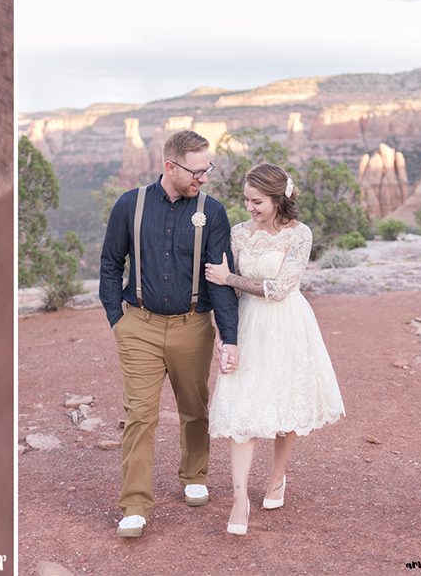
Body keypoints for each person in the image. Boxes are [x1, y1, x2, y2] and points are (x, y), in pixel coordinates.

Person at [99, 130, 239, 538]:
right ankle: (135, 505)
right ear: (170, 167)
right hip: (138, 326)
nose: (204, 177)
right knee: (140, 415)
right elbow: (111, 263)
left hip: (191, 325)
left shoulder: (212, 213)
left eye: (207, 168)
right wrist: (117, 319)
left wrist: (228, 336)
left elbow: (220, 279)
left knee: (194, 408)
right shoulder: (130, 204)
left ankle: (194, 473)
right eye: (197, 171)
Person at [204, 163, 345, 536]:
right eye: (246, 200)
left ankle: (278, 476)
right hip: (248, 324)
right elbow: (227, 293)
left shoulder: (299, 235)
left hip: (287, 323)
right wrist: (226, 333)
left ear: (278, 199)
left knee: (286, 403)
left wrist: (229, 276)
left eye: (257, 201)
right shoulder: (237, 234)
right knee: (241, 409)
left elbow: (280, 288)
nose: (249, 207)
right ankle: (238, 499)